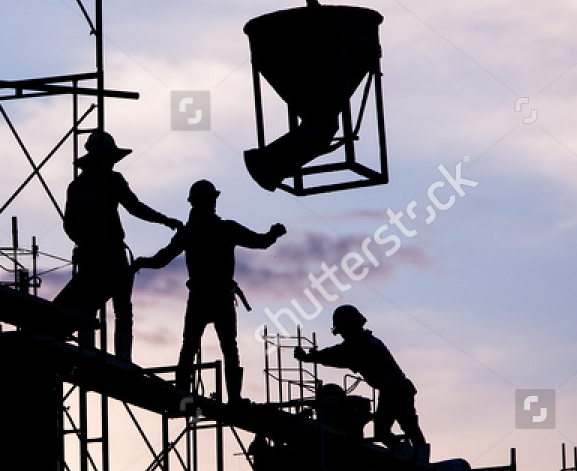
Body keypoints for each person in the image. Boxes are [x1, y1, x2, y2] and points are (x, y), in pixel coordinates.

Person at [134, 180, 285, 403]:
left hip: (212, 297)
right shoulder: (208, 231)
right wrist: (143, 262)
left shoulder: (217, 230)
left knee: (212, 347)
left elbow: (259, 242)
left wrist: (272, 235)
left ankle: (211, 395)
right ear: (198, 203)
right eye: (209, 200)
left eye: (213, 200)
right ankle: (193, 393)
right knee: (202, 346)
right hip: (209, 297)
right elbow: (162, 258)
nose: (212, 204)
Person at [55, 131, 183, 362]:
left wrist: (83, 240)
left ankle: (91, 354)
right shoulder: (110, 180)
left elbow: (69, 225)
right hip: (109, 254)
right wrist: (165, 220)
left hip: (92, 254)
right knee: (119, 307)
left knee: (89, 305)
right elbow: (135, 207)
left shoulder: (77, 186)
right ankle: (120, 359)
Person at [296, 304, 426, 448]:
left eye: (342, 331)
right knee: (407, 427)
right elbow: (341, 354)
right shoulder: (369, 341)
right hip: (398, 388)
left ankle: (410, 456)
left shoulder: (359, 343)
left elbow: (338, 354)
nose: (342, 335)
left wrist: (310, 357)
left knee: (387, 430)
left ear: (349, 326)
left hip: (393, 390)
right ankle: (413, 456)